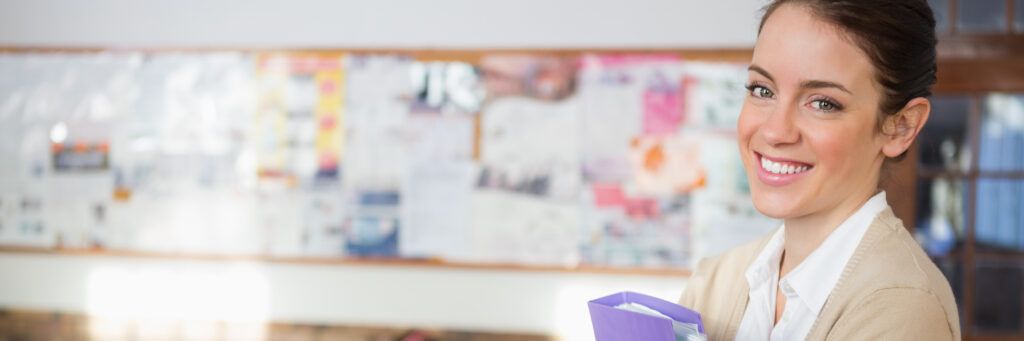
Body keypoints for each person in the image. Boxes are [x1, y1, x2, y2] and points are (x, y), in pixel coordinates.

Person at [678, 0, 960, 340]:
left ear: (900, 126)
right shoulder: (714, 282)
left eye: (823, 103)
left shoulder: (904, 306)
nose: (774, 131)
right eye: (762, 90)